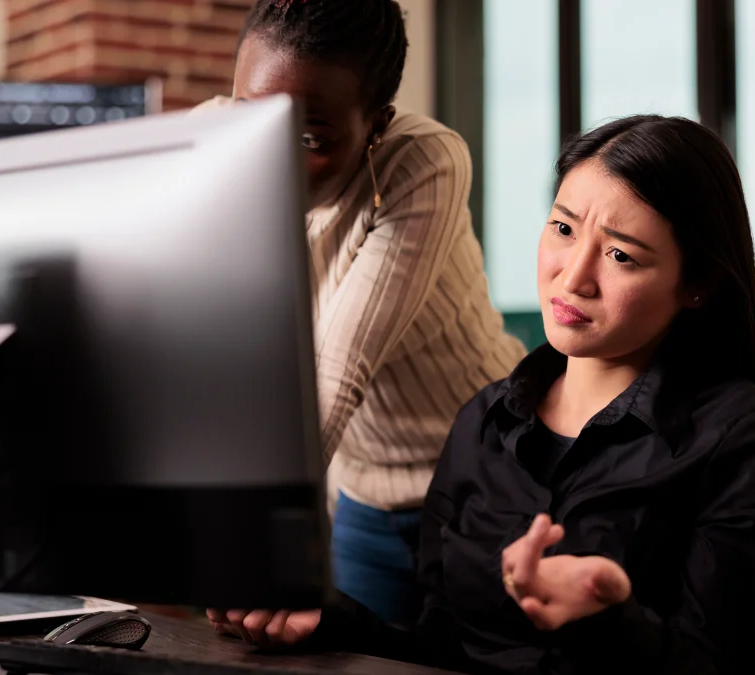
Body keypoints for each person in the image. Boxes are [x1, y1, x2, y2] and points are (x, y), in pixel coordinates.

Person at [208, 115, 755, 674]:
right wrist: (333, 620)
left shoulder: (749, 438)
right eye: (564, 228)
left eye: (621, 255)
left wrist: (608, 621)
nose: (572, 276)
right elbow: (443, 649)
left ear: (697, 285)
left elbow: (713, 663)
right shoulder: (484, 420)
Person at [195, 0, 526, 626]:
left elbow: (331, 372)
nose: (270, 156)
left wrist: (250, 538)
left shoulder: (422, 162)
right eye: (250, 118)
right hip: (363, 498)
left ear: (375, 125)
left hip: (487, 485)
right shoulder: (215, 141)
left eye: (310, 138)